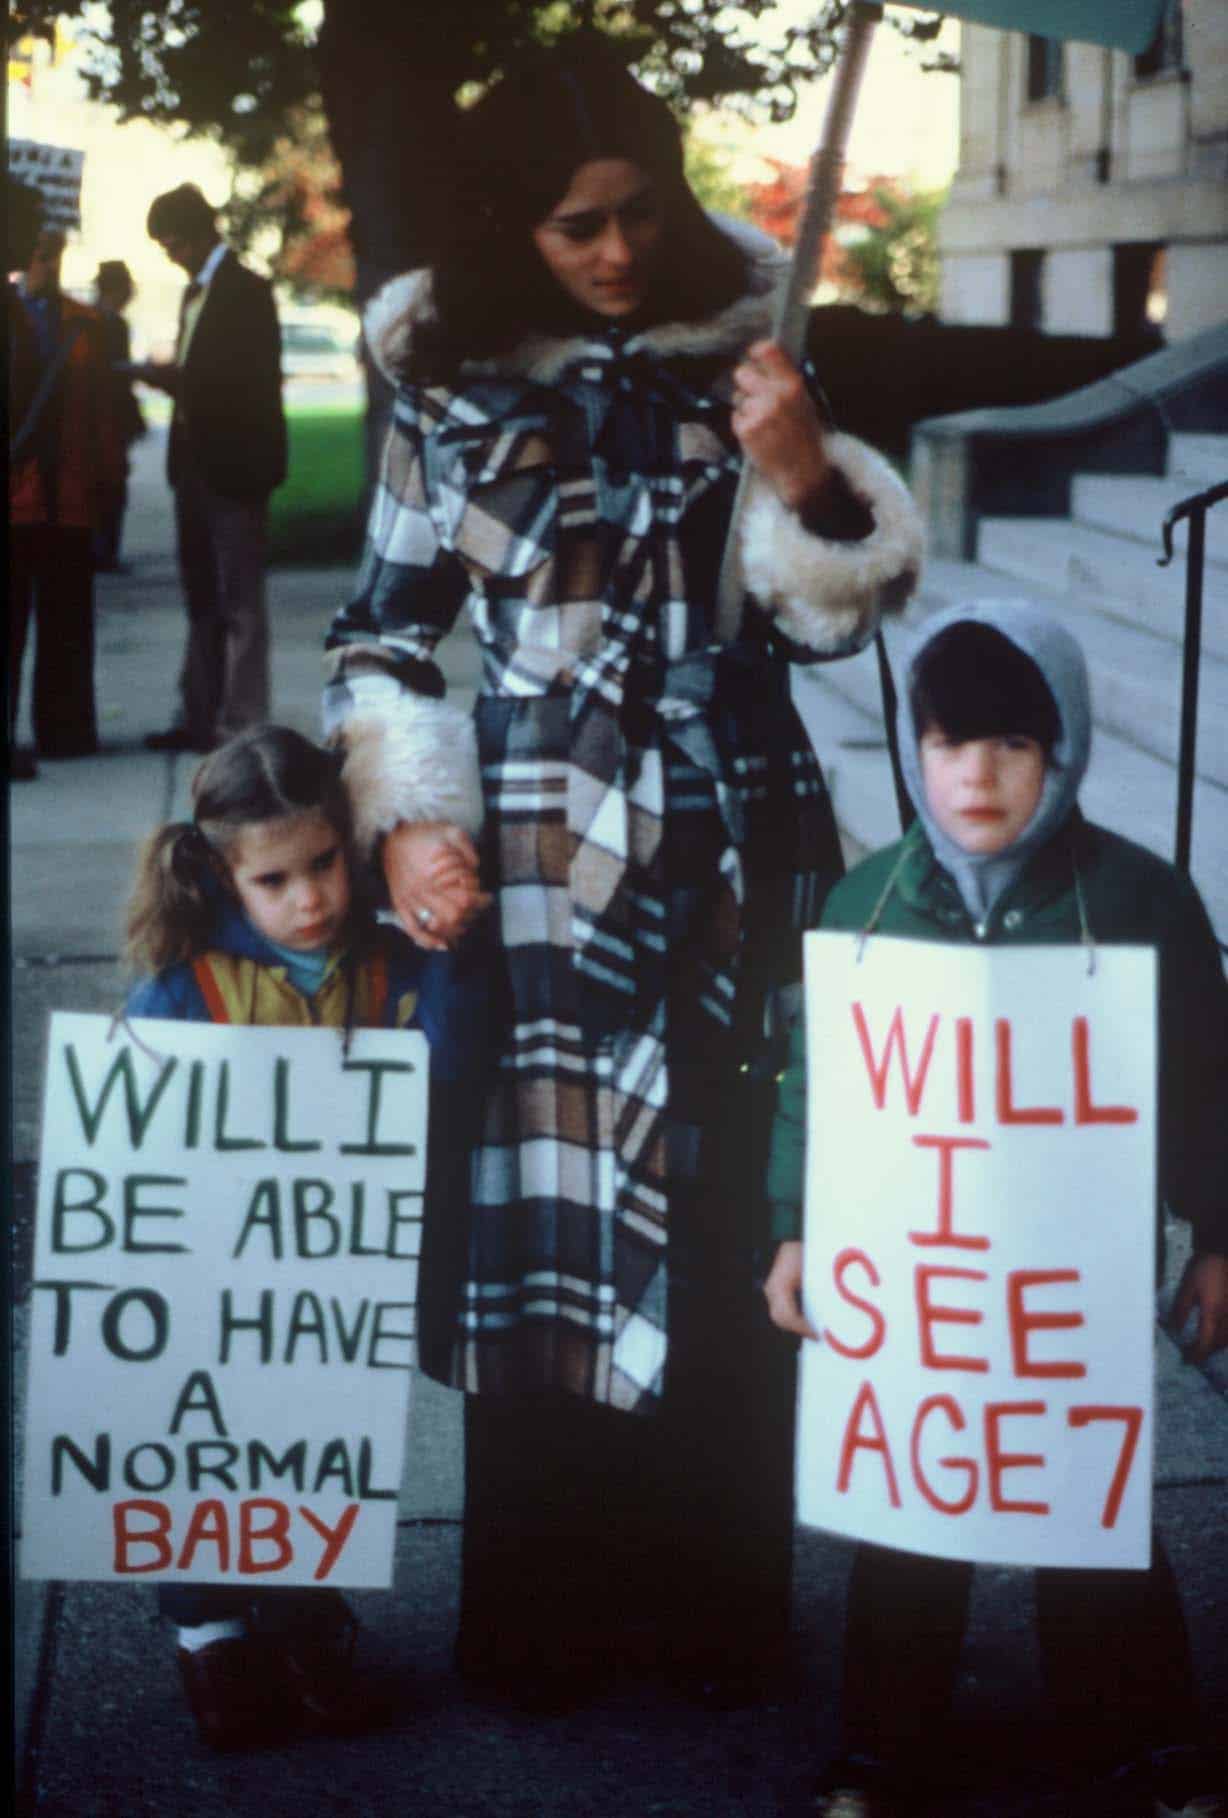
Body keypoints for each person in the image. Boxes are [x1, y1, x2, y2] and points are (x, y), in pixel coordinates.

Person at [324, 38, 924, 1709]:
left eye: (636, 215)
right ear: (507, 223)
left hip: (735, 840)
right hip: (526, 868)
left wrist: (801, 470)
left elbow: (827, 619)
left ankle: (717, 1613)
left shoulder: (745, 358)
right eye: (575, 225)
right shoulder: (441, 391)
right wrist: (408, 809)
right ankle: (544, 1622)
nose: (614, 253)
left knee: (732, 1208)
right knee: (542, 1221)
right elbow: (380, 633)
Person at [763, 600, 1228, 1818]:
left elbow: (1199, 1084)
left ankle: (1144, 1730)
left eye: (1013, 745)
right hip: (918, 1290)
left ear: (1062, 749)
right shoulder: (863, 903)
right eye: (951, 742)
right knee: (907, 1518)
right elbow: (820, 1088)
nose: (977, 774)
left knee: (1091, 1500)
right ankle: (882, 1743)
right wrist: (795, 1225)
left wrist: (1218, 1234)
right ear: (913, 749)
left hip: (1066, 1293)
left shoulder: (1139, 901)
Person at [123, 723, 490, 1750]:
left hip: (338, 1277)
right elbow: (130, 1127)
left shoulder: (384, 964)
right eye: (274, 880)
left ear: (352, 843)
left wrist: (446, 961)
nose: (309, 899)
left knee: (317, 1447)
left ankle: (303, 1621)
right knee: (207, 1451)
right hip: (215, 1280)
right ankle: (211, 1633)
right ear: (223, 876)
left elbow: (448, 1080)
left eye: (323, 865)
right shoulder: (187, 985)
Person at [139, 184, 287, 754]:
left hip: (236, 469)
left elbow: (244, 383)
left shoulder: (247, 291)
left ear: (201, 232)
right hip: (194, 469)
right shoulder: (191, 295)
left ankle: (242, 721)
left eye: (172, 242)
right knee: (201, 598)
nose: (168, 253)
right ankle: (198, 714)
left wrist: (167, 377)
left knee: (240, 603)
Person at [9, 225, 122, 772]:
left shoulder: (86, 324)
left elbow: (103, 411)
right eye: (38, 253)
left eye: (53, 254)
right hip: (19, 494)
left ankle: (67, 730)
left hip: (71, 491)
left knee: (68, 620)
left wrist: (106, 479)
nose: (46, 264)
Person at [92, 258, 146, 571]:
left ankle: (101, 547)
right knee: (112, 485)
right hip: (109, 417)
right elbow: (115, 372)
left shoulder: (89, 319)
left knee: (103, 483)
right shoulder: (112, 324)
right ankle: (106, 549)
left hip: (97, 416)